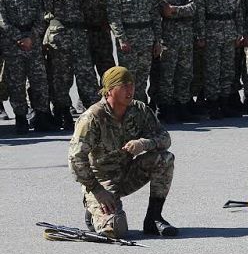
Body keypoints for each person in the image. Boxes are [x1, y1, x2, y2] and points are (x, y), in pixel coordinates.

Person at [68, 66, 177, 238]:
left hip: (127, 173)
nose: (130, 90)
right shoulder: (92, 117)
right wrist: (97, 190)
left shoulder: (139, 110)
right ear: (109, 90)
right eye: (124, 86)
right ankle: (94, 212)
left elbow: (165, 138)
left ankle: (153, 218)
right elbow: (76, 159)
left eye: (131, 84)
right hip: (101, 182)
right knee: (115, 229)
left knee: (164, 159)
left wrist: (144, 143)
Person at [40, 0, 99, 129]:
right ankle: (62, 110)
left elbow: (93, 2)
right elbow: (43, 3)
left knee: (86, 75)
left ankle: (93, 111)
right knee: (61, 77)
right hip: (59, 39)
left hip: (79, 37)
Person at [0, 0, 53, 133]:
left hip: (33, 44)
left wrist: (31, 38)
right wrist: (19, 38)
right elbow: (2, 21)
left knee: (39, 81)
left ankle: (40, 116)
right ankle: (21, 118)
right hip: (12, 45)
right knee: (16, 83)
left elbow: (41, 19)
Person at [107, 0, 161, 103]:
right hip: (129, 41)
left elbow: (155, 17)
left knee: (143, 77)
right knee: (128, 78)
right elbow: (114, 18)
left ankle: (140, 106)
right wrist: (122, 39)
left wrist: (157, 41)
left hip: (146, 41)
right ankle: (127, 107)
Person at [153, 0, 198, 123]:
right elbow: (165, 12)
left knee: (185, 74)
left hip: (185, 38)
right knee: (168, 76)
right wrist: (182, 10)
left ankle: (182, 106)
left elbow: (193, 8)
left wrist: (175, 10)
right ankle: (166, 108)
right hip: (168, 40)